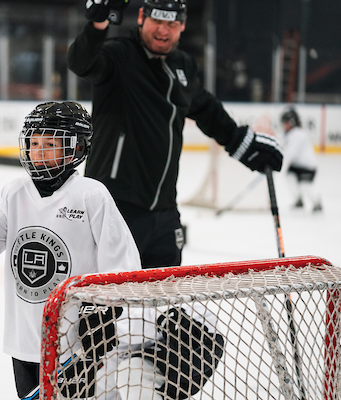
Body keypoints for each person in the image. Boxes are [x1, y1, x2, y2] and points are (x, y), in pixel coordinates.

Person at [0, 101, 142, 399]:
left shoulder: (91, 195)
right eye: (34, 142)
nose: (38, 151)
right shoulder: (14, 192)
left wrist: (106, 310)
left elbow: (123, 265)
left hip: (79, 343)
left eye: (50, 143)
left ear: (76, 149)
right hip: (24, 341)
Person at [67, 0, 284, 268]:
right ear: (141, 18)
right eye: (157, 22)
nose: (163, 31)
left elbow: (206, 109)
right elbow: (81, 63)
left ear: (181, 26)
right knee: (107, 301)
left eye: (171, 24)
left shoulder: (183, 66)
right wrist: (98, 25)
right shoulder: (118, 56)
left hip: (165, 210)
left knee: (164, 295)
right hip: (116, 205)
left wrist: (244, 143)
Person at [280, 107, 323, 212]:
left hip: (307, 167)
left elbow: (290, 153)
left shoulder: (297, 135)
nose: (283, 125)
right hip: (297, 165)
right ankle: (298, 200)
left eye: (285, 122)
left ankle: (316, 203)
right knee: (289, 177)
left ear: (292, 122)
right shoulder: (291, 134)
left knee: (305, 185)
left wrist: (281, 166)